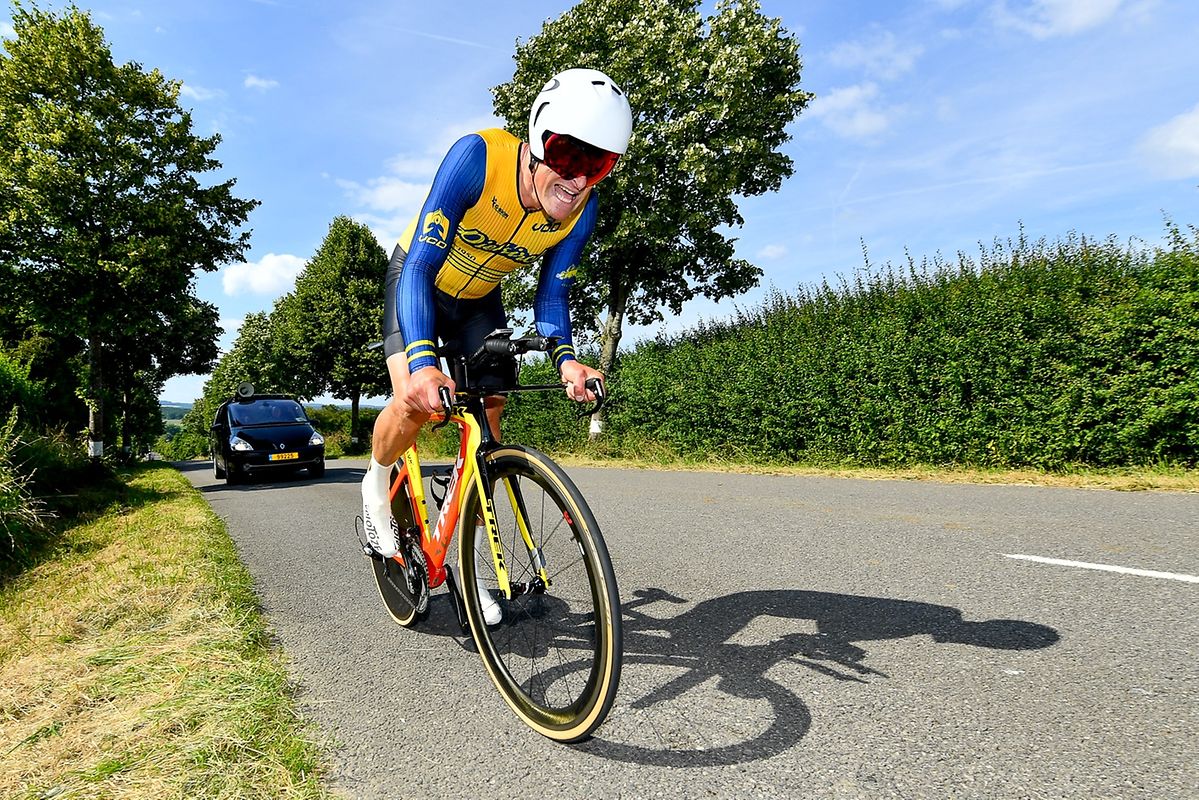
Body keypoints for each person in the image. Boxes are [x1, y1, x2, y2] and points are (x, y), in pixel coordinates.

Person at [361, 68, 633, 622]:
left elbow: (552, 300)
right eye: (566, 157)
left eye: (597, 164)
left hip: (480, 299)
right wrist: (421, 362)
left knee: (489, 421)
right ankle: (375, 480)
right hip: (418, 282)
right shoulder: (477, 159)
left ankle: (470, 566)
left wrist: (568, 359)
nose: (578, 180)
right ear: (536, 142)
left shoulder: (582, 212)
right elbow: (419, 263)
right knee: (416, 401)